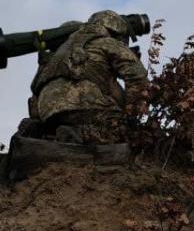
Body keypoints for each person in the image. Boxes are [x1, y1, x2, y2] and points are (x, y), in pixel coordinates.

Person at [26, 10, 148, 145]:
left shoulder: (59, 51)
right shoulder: (107, 42)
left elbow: (36, 90)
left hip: (47, 111)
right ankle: (77, 135)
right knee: (128, 132)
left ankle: (48, 133)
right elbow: (138, 76)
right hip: (83, 105)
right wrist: (133, 113)